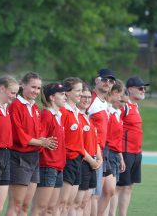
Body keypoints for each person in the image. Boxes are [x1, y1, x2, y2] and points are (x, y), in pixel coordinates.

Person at [6, 72, 57, 216]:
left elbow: (37, 133)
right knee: (15, 204)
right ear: (22, 85)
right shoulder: (16, 106)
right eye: (33, 87)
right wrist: (43, 142)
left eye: (38, 88)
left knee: (25, 205)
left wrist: (44, 141)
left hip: (34, 157)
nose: (36, 91)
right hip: (19, 158)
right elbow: (19, 135)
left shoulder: (34, 107)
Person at [112, 76, 149, 216]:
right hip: (125, 152)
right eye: (140, 88)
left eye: (144, 88)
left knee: (128, 187)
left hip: (136, 153)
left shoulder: (135, 106)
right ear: (130, 89)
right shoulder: (124, 106)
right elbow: (115, 127)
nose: (143, 90)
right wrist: (119, 153)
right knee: (118, 187)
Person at [30, 82, 69, 216]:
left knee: (51, 208)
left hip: (58, 166)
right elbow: (39, 138)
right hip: (48, 166)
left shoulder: (58, 115)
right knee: (39, 207)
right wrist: (43, 142)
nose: (65, 97)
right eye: (62, 94)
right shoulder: (46, 114)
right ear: (52, 97)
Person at [0, 75, 19, 216]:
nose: (14, 96)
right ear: (2, 88)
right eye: (12, 92)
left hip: (7, 156)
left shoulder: (5, 108)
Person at [87, 68, 116, 215]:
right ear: (96, 80)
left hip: (103, 150)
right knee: (93, 194)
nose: (107, 83)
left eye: (111, 81)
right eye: (104, 80)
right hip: (92, 149)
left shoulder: (104, 102)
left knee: (110, 189)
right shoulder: (90, 99)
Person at [97, 79, 126, 216]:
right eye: (120, 95)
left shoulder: (116, 112)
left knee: (110, 191)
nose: (121, 98)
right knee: (102, 190)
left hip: (113, 153)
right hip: (104, 151)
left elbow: (118, 138)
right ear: (113, 93)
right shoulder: (105, 109)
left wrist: (120, 156)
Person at [57, 77, 85, 216]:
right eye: (78, 90)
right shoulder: (63, 111)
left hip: (77, 161)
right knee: (60, 202)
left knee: (68, 204)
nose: (81, 93)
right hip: (67, 160)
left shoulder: (76, 112)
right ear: (67, 92)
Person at [74, 83, 102, 216]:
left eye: (89, 97)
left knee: (85, 202)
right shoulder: (76, 117)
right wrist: (91, 161)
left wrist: (99, 157)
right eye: (83, 96)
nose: (86, 100)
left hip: (92, 163)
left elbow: (95, 141)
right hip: (83, 162)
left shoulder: (88, 118)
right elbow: (78, 145)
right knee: (77, 202)